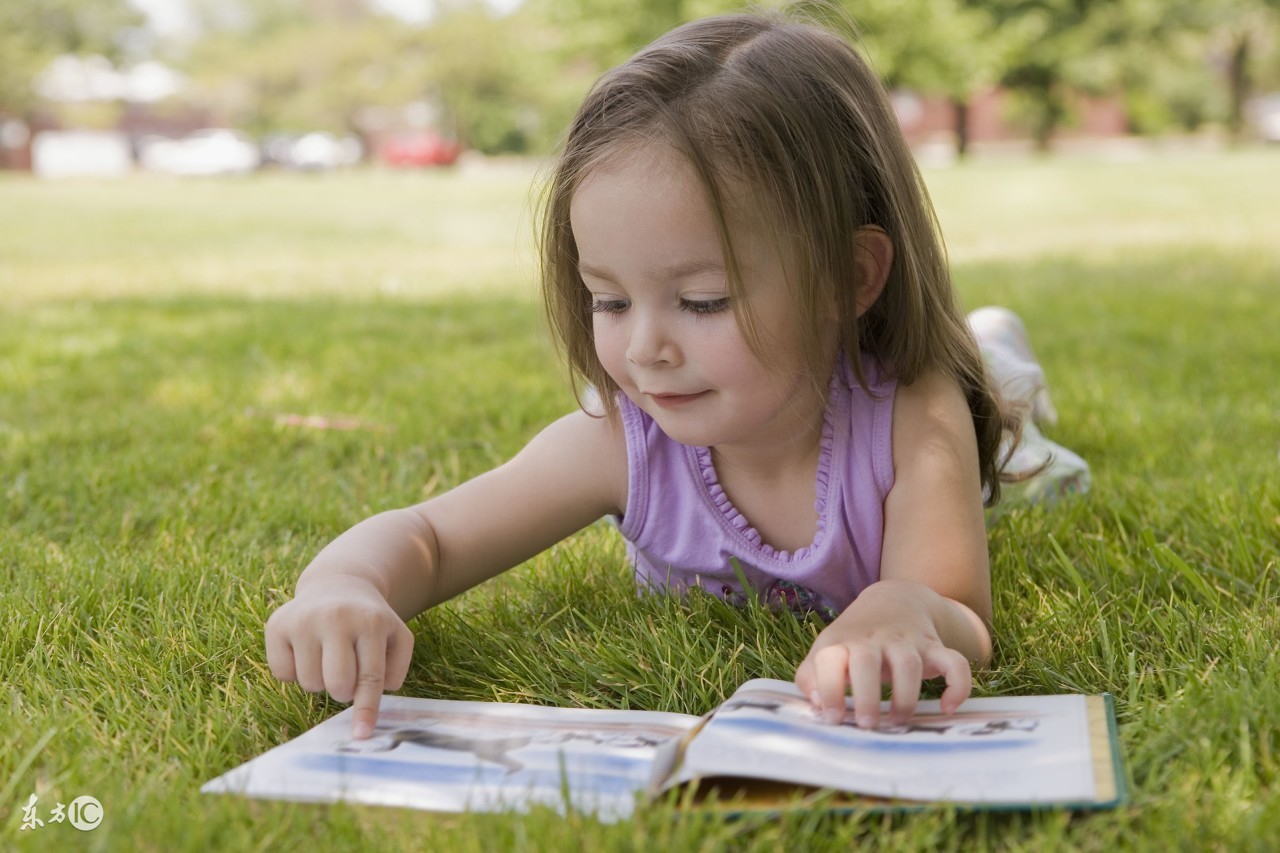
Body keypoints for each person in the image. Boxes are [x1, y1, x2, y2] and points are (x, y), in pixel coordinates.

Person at [265, 10, 1088, 740]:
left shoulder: (915, 412)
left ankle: (994, 347)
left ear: (850, 277)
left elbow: (958, 608)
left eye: (702, 300)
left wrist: (903, 607)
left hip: (945, 415)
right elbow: (430, 535)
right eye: (610, 299)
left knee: (1019, 443)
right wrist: (346, 582)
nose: (646, 349)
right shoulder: (623, 438)